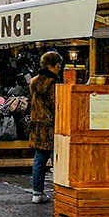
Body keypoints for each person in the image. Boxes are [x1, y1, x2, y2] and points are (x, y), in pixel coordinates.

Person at [29, 50, 63, 204]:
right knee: (57, 160)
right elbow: (56, 104)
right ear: (50, 65)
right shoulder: (53, 84)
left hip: (37, 125)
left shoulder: (34, 81)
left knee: (39, 160)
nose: (59, 68)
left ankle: (37, 192)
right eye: (57, 65)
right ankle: (61, 193)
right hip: (52, 125)